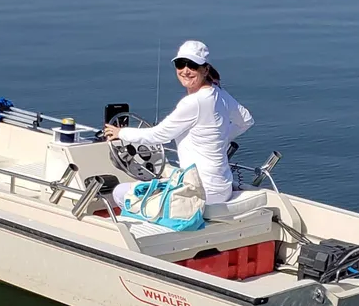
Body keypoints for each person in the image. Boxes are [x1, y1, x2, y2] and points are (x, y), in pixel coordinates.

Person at [104, 40, 254, 209]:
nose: (185, 71)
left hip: (200, 191)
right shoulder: (220, 94)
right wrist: (219, 138)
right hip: (222, 188)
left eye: (192, 65)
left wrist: (121, 133)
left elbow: (158, 136)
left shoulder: (194, 102)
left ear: (205, 69)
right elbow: (246, 120)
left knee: (119, 192)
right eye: (180, 64)